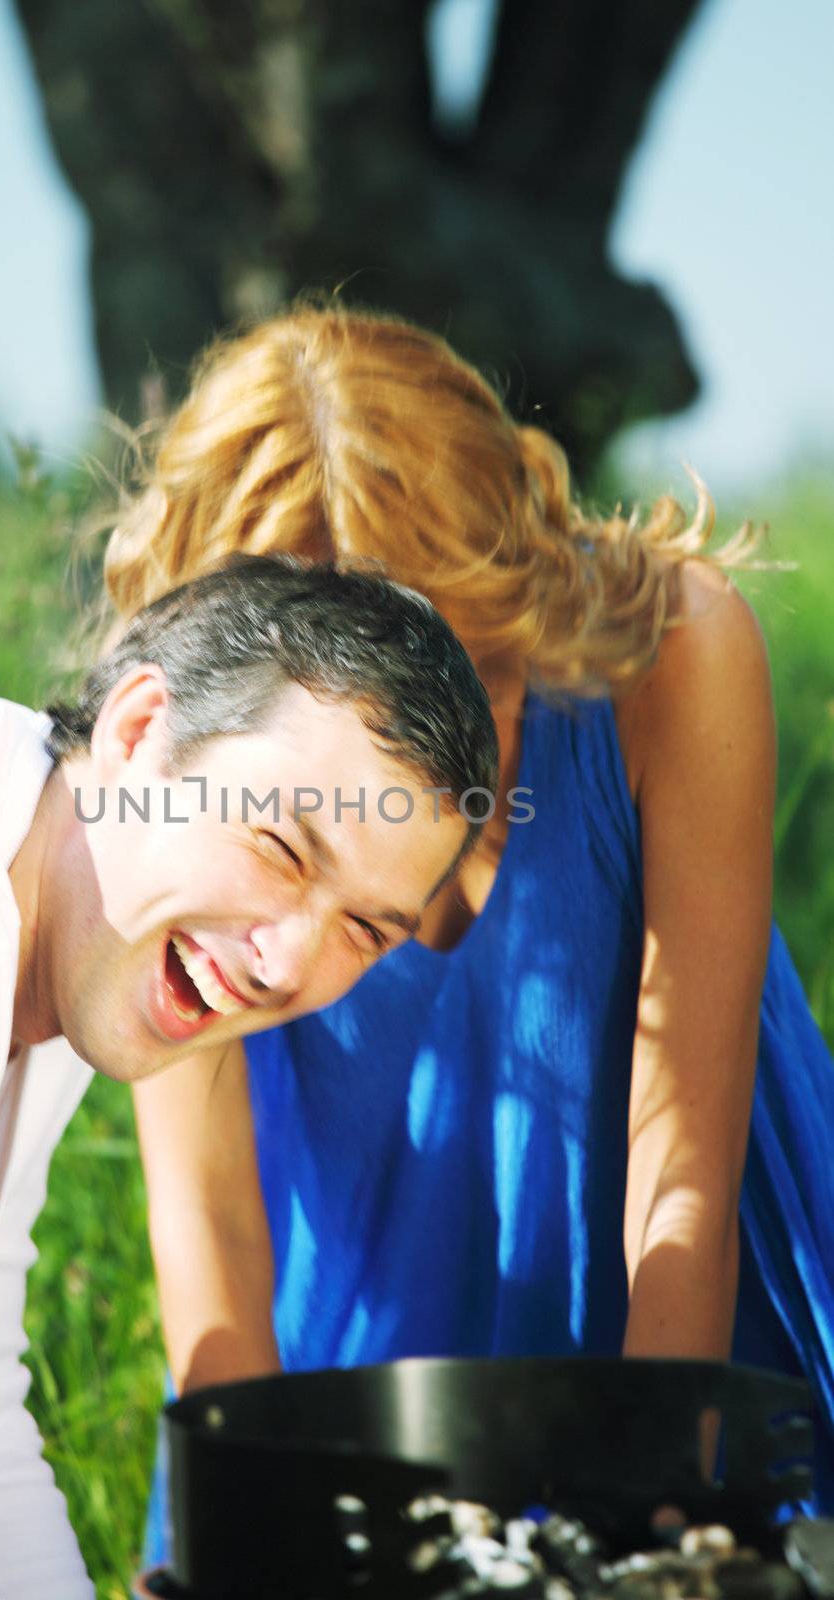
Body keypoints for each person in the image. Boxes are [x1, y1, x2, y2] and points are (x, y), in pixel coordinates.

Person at [126, 307, 834, 1565]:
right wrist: (250, 1527)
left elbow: (682, 1171)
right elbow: (212, 1222)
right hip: (360, 1386)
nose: (446, 766)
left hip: (695, 1330)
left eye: (483, 671)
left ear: (523, 574)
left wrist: (646, 1516)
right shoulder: (178, 764)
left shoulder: (671, 654)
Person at [0, 555, 496, 1599]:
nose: (287, 964)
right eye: (282, 847)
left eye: (363, 929)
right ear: (137, 730)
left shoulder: (58, 909)